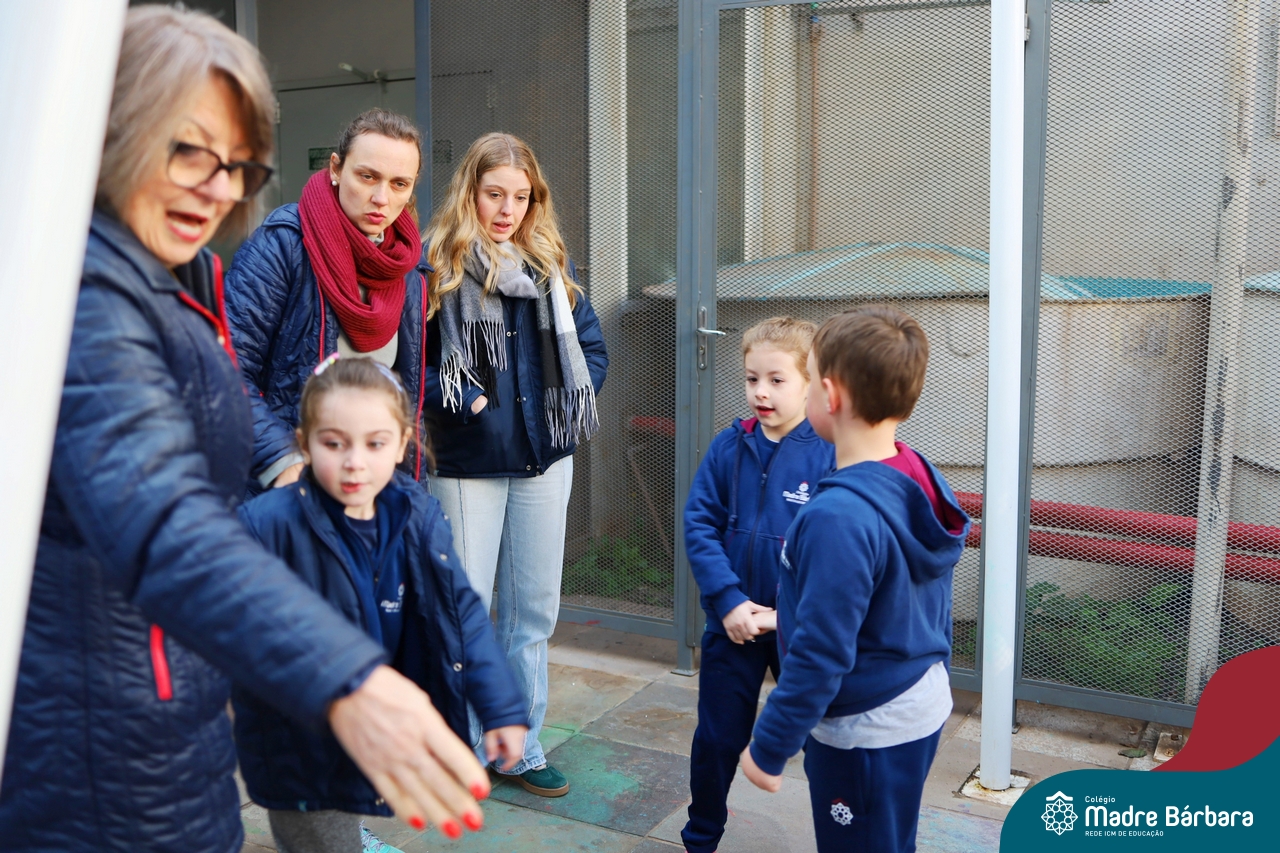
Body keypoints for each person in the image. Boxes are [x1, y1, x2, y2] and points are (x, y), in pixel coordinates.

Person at [0, 8, 488, 852]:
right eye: (189, 151)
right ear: (112, 132)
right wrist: (347, 674)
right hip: (100, 737)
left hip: (167, 699)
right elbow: (164, 517)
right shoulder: (88, 292)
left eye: (237, 163)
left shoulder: (179, 273)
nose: (219, 186)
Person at [233, 357, 529, 853]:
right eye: (334, 443)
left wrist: (500, 706)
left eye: (374, 443)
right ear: (303, 443)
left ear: (402, 444)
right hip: (301, 745)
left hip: (375, 730)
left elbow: (463, 616)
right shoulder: (265, 526)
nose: (354, 462)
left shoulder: (417, 516)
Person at [741, 306, 970, 853]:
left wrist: (770, 745)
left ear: (828, 394)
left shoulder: (838, 517)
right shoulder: (914, 471)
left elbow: (822, 650)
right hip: (918, 696)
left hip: (867, 725)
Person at [422, 132, 608, 797]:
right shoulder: (436, 265)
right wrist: (461, 404)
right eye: (494, 194)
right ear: (469, 192)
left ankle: (519, 746)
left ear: (536, 200)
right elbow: (412, 364)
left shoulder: (551, 265)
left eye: (520, 197)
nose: (507, 210)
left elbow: (591, 350)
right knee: (466, 608)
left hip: (543, 458)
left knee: (532, 611)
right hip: (466, 461)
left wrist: (559, 407)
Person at [679, 317, 833, 853]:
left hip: (799, 633)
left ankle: (844, 836)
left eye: (776, 380)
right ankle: (701, 838)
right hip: (734, 625)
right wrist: (729, 602)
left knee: (826, 744)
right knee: (717, 740)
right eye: (752, 379)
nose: (761, 392)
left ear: (812, 384)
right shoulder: (729, 447)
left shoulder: (832, 454)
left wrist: (785, 614)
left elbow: (834, 554)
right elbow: (699, 525)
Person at [225, 108, 432, 493]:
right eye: (367, 176)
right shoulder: (283, 245)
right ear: (336, 168)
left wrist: (411, 490)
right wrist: (282, 458)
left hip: (375, 488)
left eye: (399, 184)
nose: (381, 198)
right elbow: (225, 368)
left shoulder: (408, 266)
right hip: (293, 485)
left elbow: (409, 393)